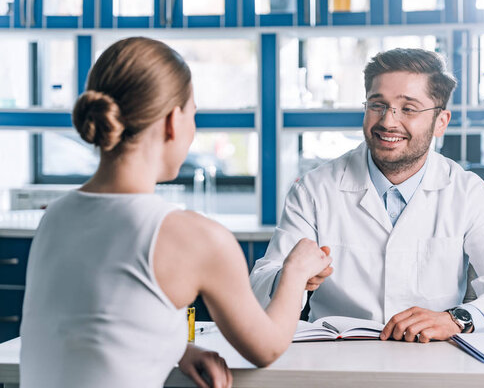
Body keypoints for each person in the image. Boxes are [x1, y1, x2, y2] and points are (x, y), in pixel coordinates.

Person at [19, 37, 332, 388]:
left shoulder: (56, 216)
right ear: (172, 121)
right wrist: (295, 271)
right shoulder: (193, 237)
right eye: (193, 113)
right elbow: (267, 347)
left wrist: (176, 350)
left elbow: (91, 327)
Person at [250, 48, 484, 343]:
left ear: (441, 122)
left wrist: (456, 319)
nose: (388, 121)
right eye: (377, 105)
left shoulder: (466, 192)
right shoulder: (314, 189)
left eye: (408, 108)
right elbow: (258, 294)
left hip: (432, 363)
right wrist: (289, 277)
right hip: (337, 362)